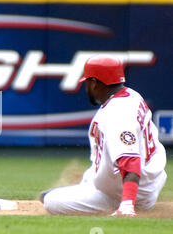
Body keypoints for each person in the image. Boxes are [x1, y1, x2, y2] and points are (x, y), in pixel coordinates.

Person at [40, 55, 167, 216]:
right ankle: (88, 188)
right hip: (150, 181)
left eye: (87, 82)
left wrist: (127, 205)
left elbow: (130, 162)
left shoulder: (117, 113)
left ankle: (126, 203)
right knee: (79, 180)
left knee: (52, 201)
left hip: (125, 194)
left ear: (94, 84)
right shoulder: (131, 95)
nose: (86, 87)